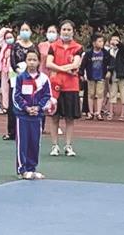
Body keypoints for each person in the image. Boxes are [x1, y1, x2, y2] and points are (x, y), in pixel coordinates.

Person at [46, 21, 84, 157]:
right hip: (55, 86)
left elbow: (75, 64)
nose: (66, 32)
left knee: (69, 118)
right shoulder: (53, 46)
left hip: (71, 86)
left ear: (73, 31)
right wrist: (64, 69)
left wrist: (61, 68)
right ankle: (54, 146)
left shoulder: (78, 47)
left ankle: (68, 146)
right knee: (54, 117)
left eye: (68, 29)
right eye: (63, 29)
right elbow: (48, 63)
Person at [14, 50, 53, 179]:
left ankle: (32, 168)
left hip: (37, 116)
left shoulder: (43, 79)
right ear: (25, 61)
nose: (31, 62)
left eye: (34, 60)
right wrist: (26, 108)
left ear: (38, 62)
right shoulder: (20, 78)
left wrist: (39, 107)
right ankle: (22, 169)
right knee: (23, 143)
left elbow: (47, 95)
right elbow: (16, 96)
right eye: (29, 59)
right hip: (23, 116)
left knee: (35, 143)